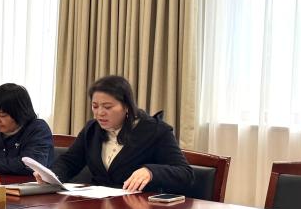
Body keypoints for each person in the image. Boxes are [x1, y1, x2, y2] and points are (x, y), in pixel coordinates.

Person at [43, 75, 194, 193]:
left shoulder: (156, 131)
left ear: (126, 106)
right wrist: (51, 176)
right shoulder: (92, 129)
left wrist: (151, 171)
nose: (99, 113)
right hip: (95, 207)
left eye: (107, 107)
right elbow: (70, 162)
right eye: (95, 106)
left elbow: (185, 174)